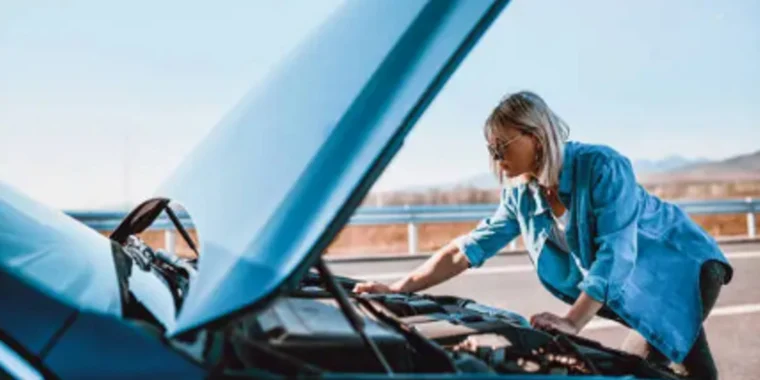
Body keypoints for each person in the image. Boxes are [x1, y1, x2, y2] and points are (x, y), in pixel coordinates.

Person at [353, 91, 733, 379]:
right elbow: (466, 250)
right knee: (679, 371)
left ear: (535, 135)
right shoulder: (521, 192)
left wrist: (572, 321)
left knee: (644, 370)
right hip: (627, 287)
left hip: (681, 269)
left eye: (502, 145)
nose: (495, 156)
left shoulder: (601, 167)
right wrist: (398, 288)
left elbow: (616, 253)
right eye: (490, 148)